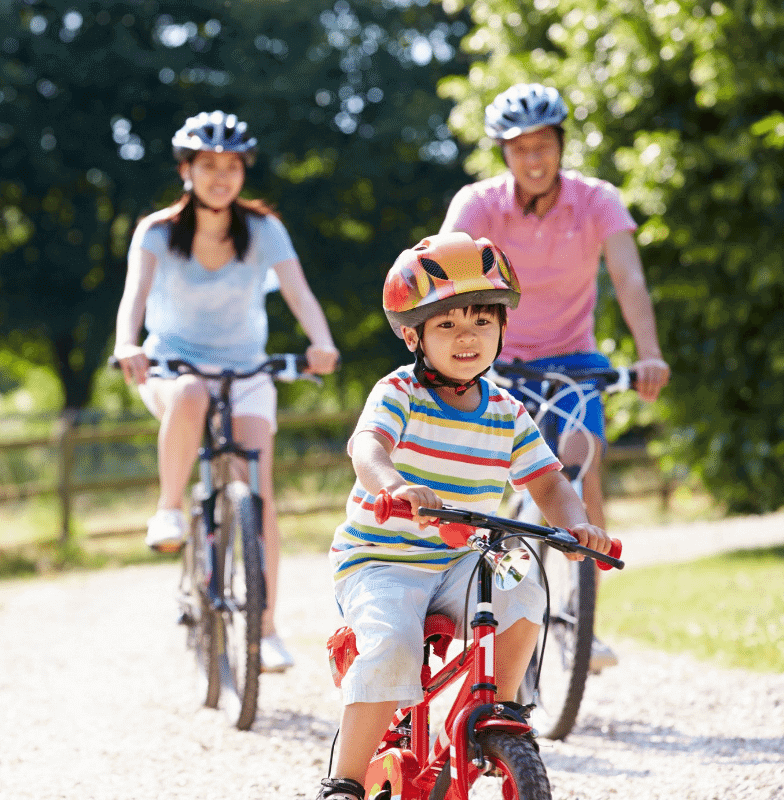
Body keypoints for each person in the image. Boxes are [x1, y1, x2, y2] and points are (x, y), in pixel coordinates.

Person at [316, 232, 611, 800]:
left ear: (503, 328)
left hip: (463, 558)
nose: (467, 336)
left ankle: (499, 710)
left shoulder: (506, 411)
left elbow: (549, 481)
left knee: (524, 578)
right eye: (447, 324)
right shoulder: (398, 391)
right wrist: (396, 486)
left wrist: (575, 524)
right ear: (413, 335)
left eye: (481, 320)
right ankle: (345, 781)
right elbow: (367, 449)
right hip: (383, 560)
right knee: (391, 645)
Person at [439, 82, 670, 671]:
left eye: (544, 145)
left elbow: (630, 281)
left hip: (573, 360)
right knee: (496, 489)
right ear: (504, 154)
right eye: (520, 148)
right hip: (498, 361)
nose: (534, 159)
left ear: (562, 145)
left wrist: (649, 353)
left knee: (580, 459)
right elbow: (445, 272)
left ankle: (579, 617)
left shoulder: (597, 201)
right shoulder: (480, 203)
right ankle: (509, 597)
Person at [114, 110, 339, 672]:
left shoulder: (263, 230)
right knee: (189, 396)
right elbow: (134, 299)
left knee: (256, 490)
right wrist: (127, 344)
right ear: (186, 170)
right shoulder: (158, 232)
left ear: (244, 172)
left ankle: (264, 630)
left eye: (232, 166)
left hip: (246, 371)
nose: (221, 176)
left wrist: (321, 341)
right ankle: (168, 510)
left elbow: (300, 293)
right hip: (173, 367)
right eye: (208, 165)